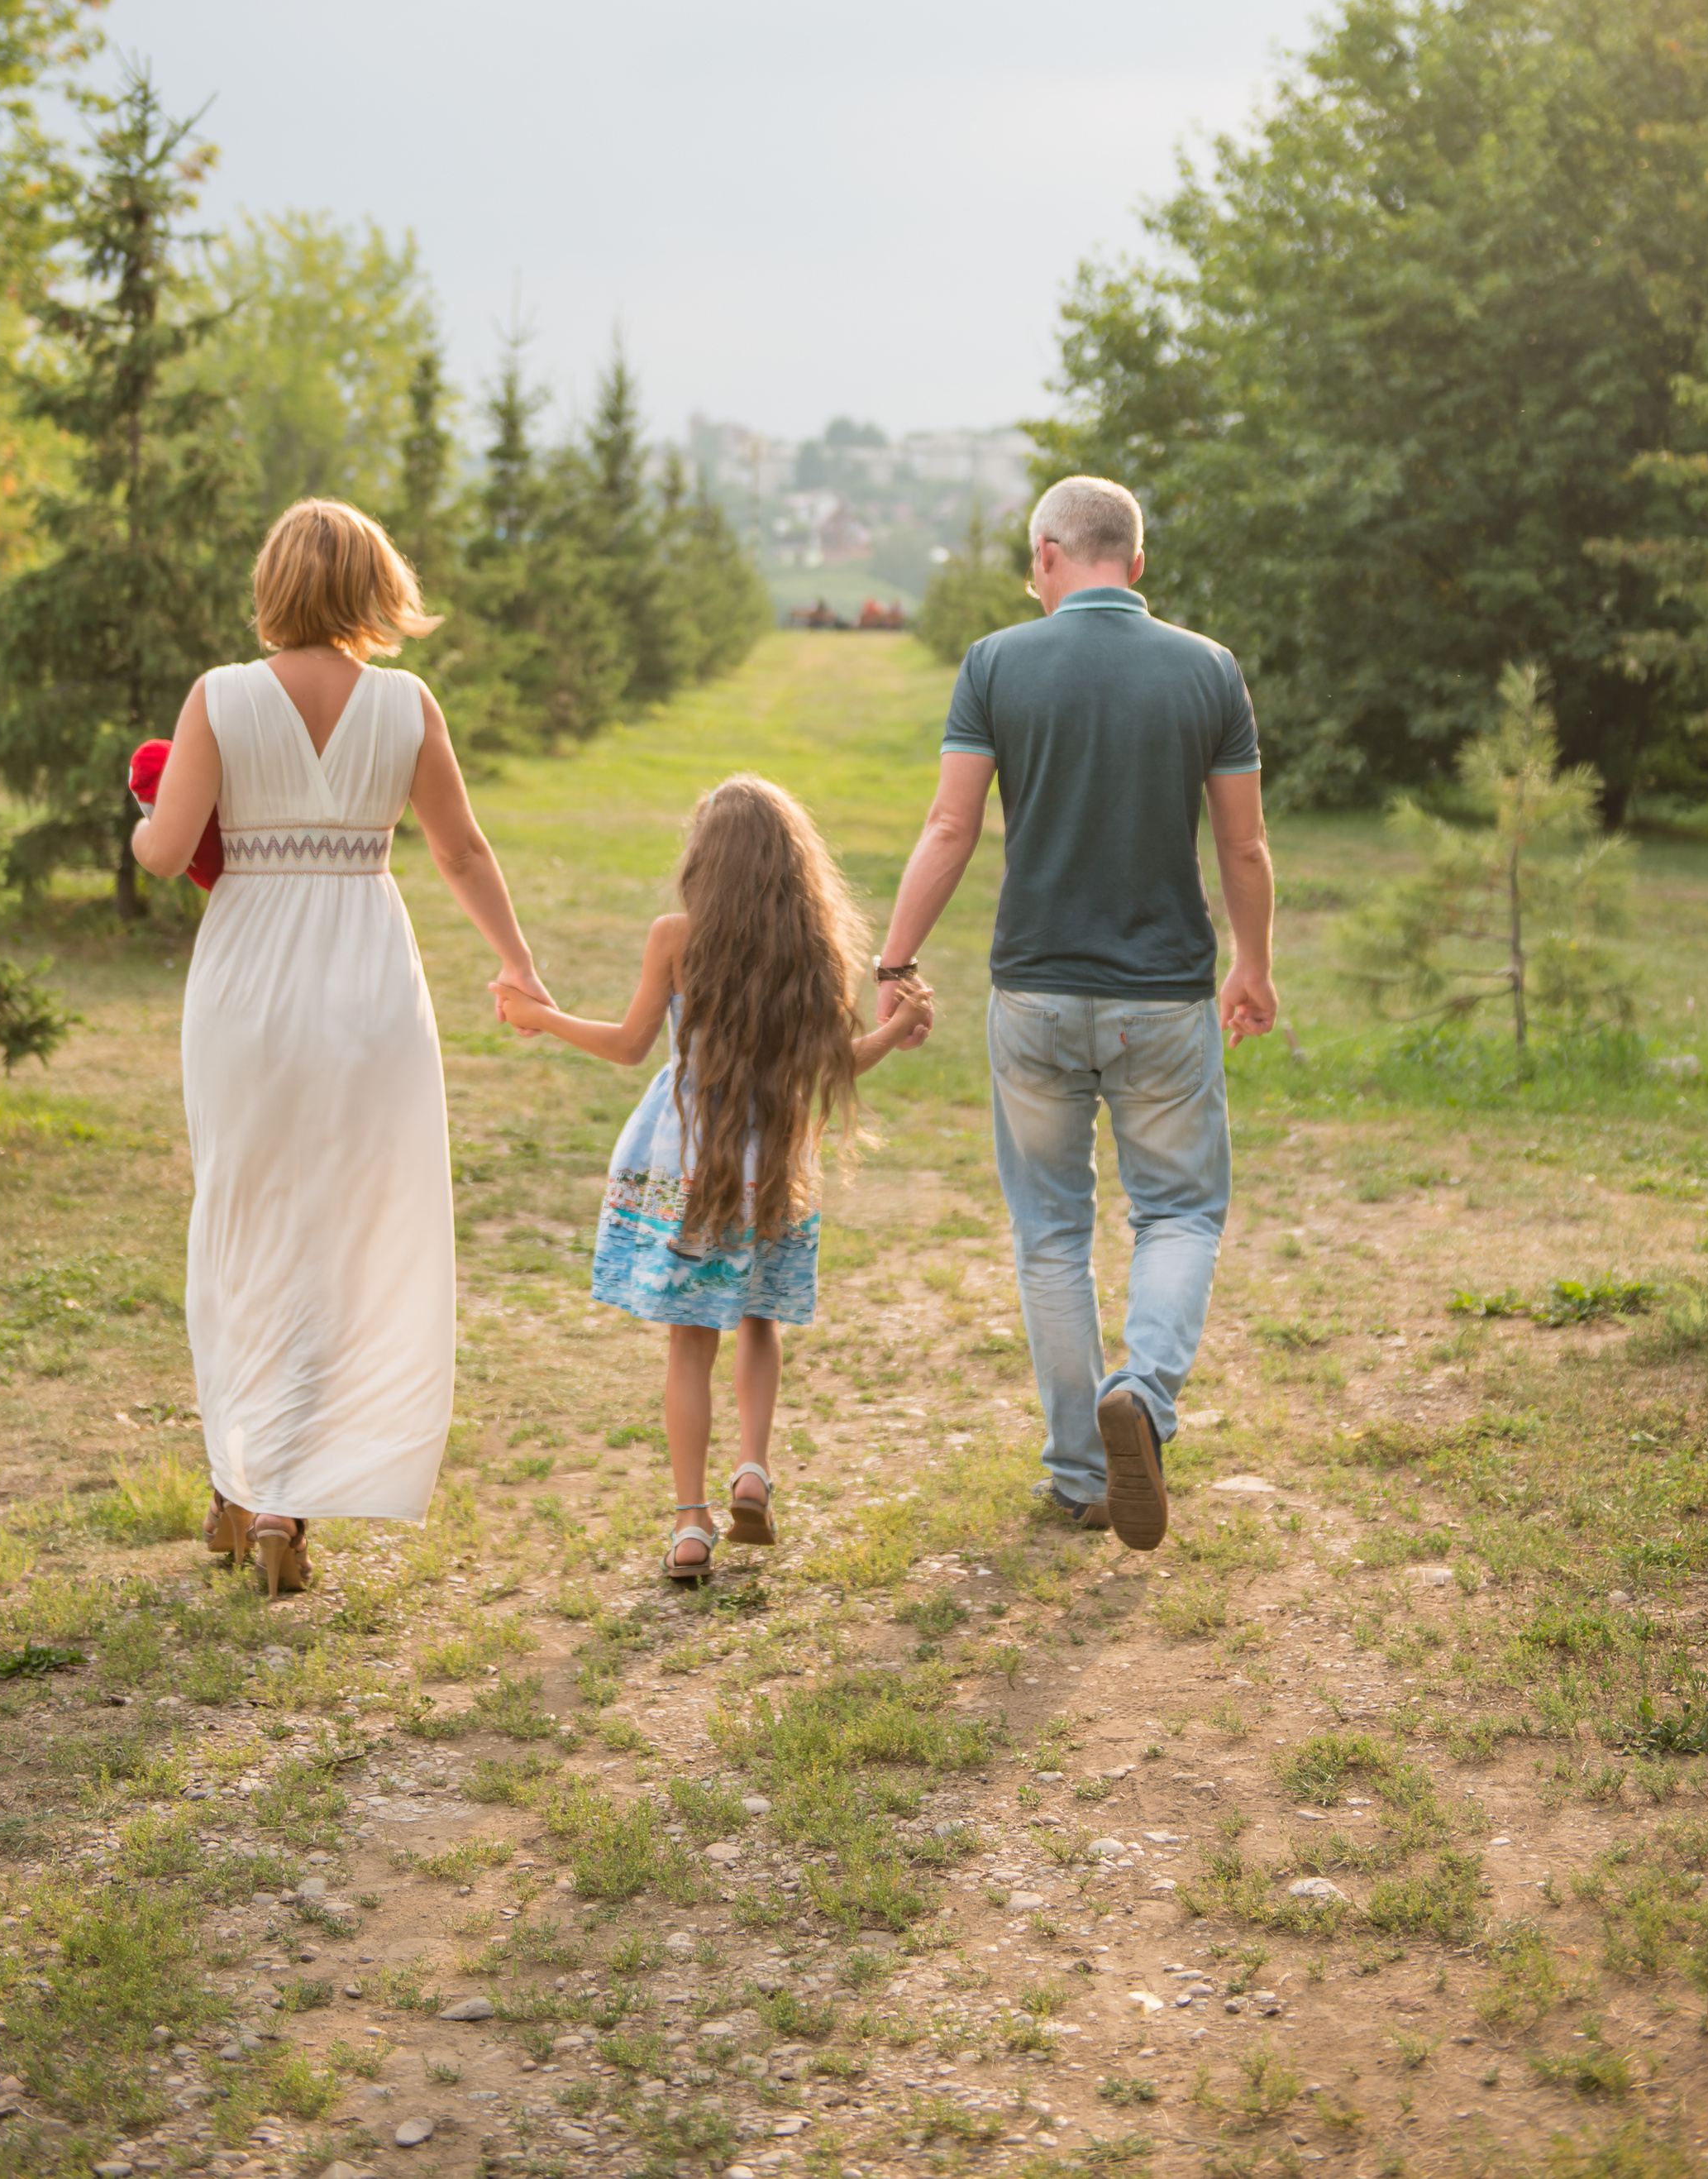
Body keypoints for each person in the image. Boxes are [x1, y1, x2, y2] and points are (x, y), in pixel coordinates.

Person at [133, 498, 551, 1598]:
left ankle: (244, 1483)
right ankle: (282, 1500)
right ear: (376, 588)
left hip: (250, 985)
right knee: (344, 1228)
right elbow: (459, 849)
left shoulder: (219, 698)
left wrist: (142, 816)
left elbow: (167, 850)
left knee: (243, 1214)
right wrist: (517, 962)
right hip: (367, 976)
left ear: (274, 584)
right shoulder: (407, 705)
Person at [875, 475, 1276, 1551]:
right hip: (1164, 1001)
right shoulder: (1208, 671)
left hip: (1035, 997)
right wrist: (1255, 963)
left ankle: (1078, 1473)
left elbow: (951, 829)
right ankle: (1140, 1398)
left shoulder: (997, 663)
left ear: (1049, 555)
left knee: (1049, 1231)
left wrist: (894, 957)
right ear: (1134, 564)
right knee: (1180, 1212)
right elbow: (1242, 844)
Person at [494, 775, 933, 1581]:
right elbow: (832, 1063)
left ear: (706, 862)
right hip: (776, 1171)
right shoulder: (811, 948)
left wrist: (541, 1016)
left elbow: (630, 1045)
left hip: (691, 1166)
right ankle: (754, 1470)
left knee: (688, 1342)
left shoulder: (675, 937)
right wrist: (899, 1024)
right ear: (790, 866)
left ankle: (691, 1522)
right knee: (759, 1319)